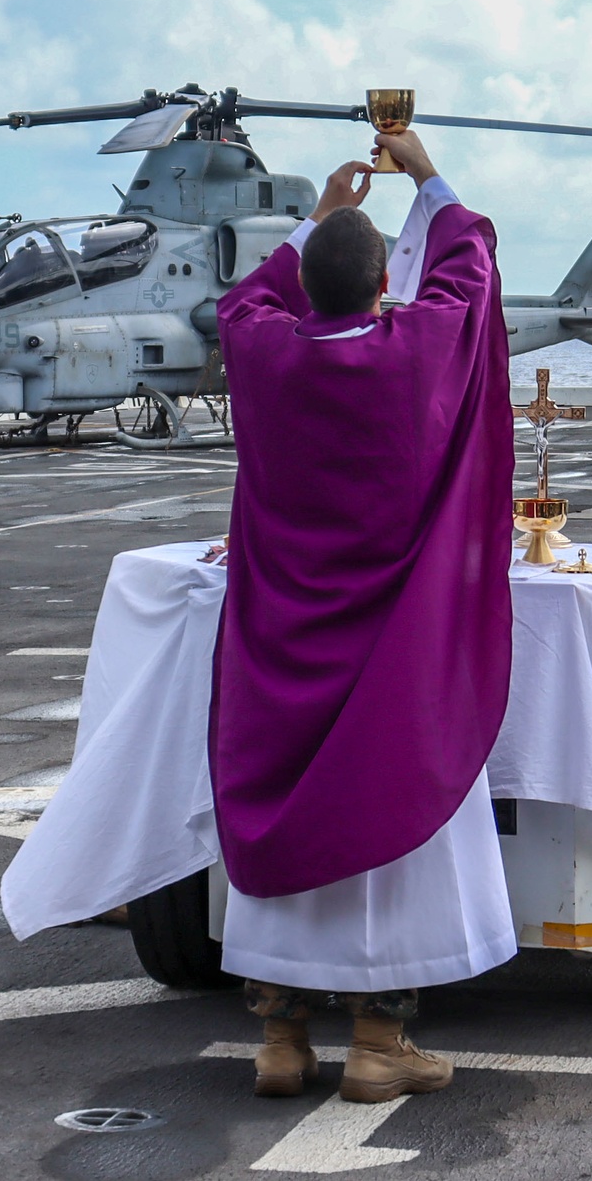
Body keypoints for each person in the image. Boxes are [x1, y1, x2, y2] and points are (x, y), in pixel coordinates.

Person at [211, 129, 517, 1104]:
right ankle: (380, 1043)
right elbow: (468, 275)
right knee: (395, 815)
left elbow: (242, 302)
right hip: (390, 643)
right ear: (387, 282)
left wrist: (316, 217)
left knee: (285, 813)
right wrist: (424, 174)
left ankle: (282, 1040)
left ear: (310, 285)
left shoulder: (266, 356)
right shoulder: (414, 354)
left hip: (281, 643)